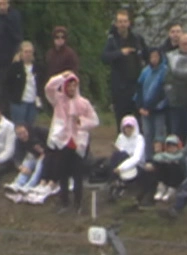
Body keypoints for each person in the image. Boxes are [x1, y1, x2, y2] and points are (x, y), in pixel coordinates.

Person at [44, 70, 97, 209]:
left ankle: (78, 204)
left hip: (78, 143)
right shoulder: (59, 100)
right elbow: (48, 88)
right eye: (69, 85)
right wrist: (62, 76)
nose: (71, 88)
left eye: (74, 85)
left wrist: (82, 121)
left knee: (77, 174)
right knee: (62, 174)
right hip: (63, 142)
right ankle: (64, 202)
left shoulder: (84, 103)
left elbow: (95, 120)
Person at [102, 9, 145, 127]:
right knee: (121, 119)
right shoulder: (112, 40)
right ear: (116, 24)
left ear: (129, 23)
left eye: (125, 21)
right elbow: (104, 57)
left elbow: (146, 54)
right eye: (120, 22)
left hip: (135, 85)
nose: (122, 24)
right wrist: (120, 53)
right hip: (119, 88)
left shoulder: (137, 38)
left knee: (138, 120)